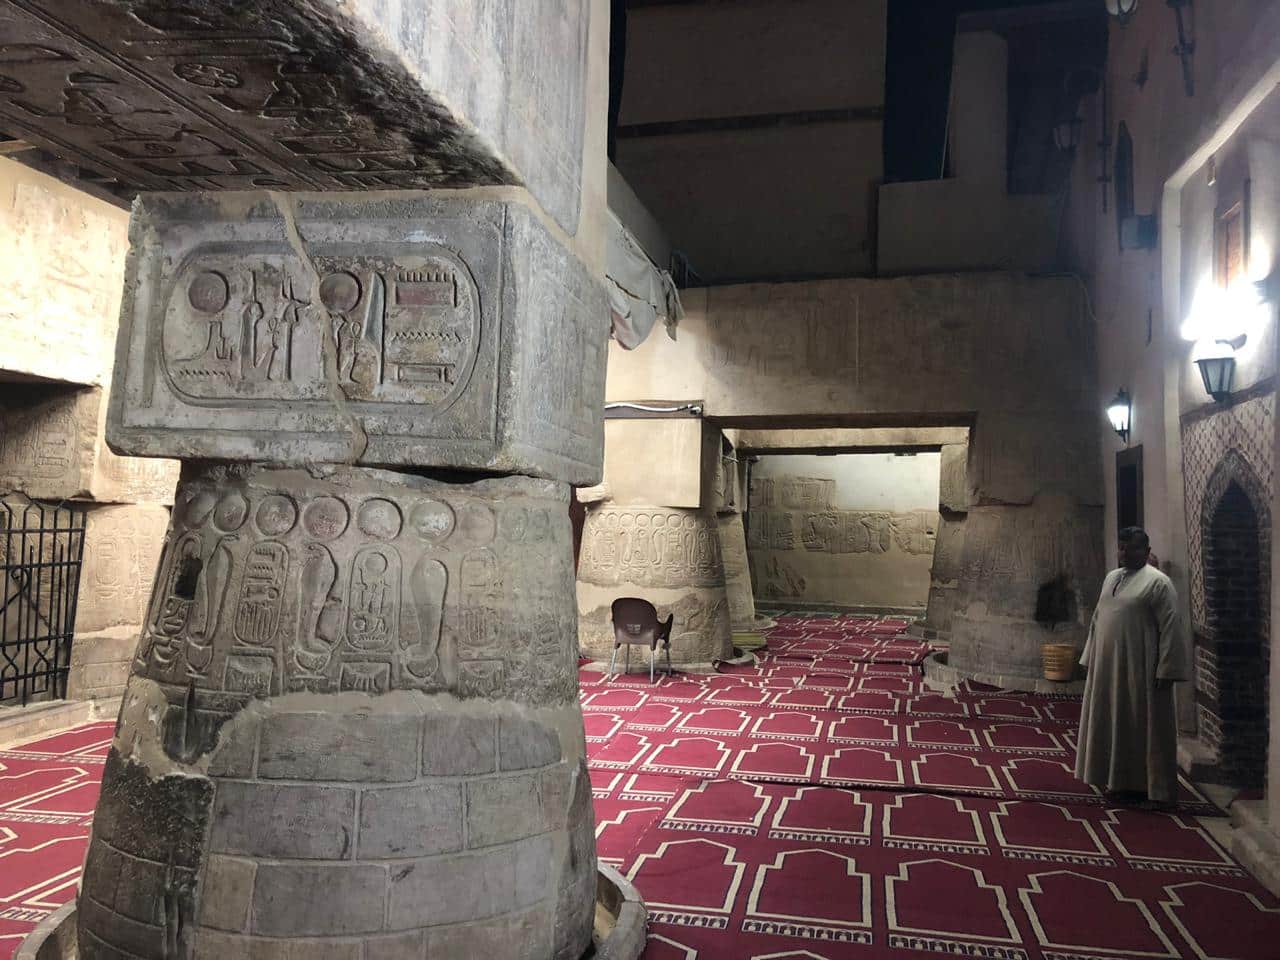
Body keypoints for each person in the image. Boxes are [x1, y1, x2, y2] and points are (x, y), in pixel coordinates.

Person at [1075, 527, 1188, 810]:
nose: (1124, 553)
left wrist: (1167, 669)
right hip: (1108, 667)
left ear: (1146, 550)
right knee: (1113, 720)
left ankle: (1151, 789)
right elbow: (1098, 619)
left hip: (1142, 668)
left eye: (1132, 549)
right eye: (1121, 548)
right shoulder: (1113, 577)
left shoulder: (1158, 583)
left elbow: (1172, 628)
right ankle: (1118, 781)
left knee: (1144, 726)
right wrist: (1091, 657)